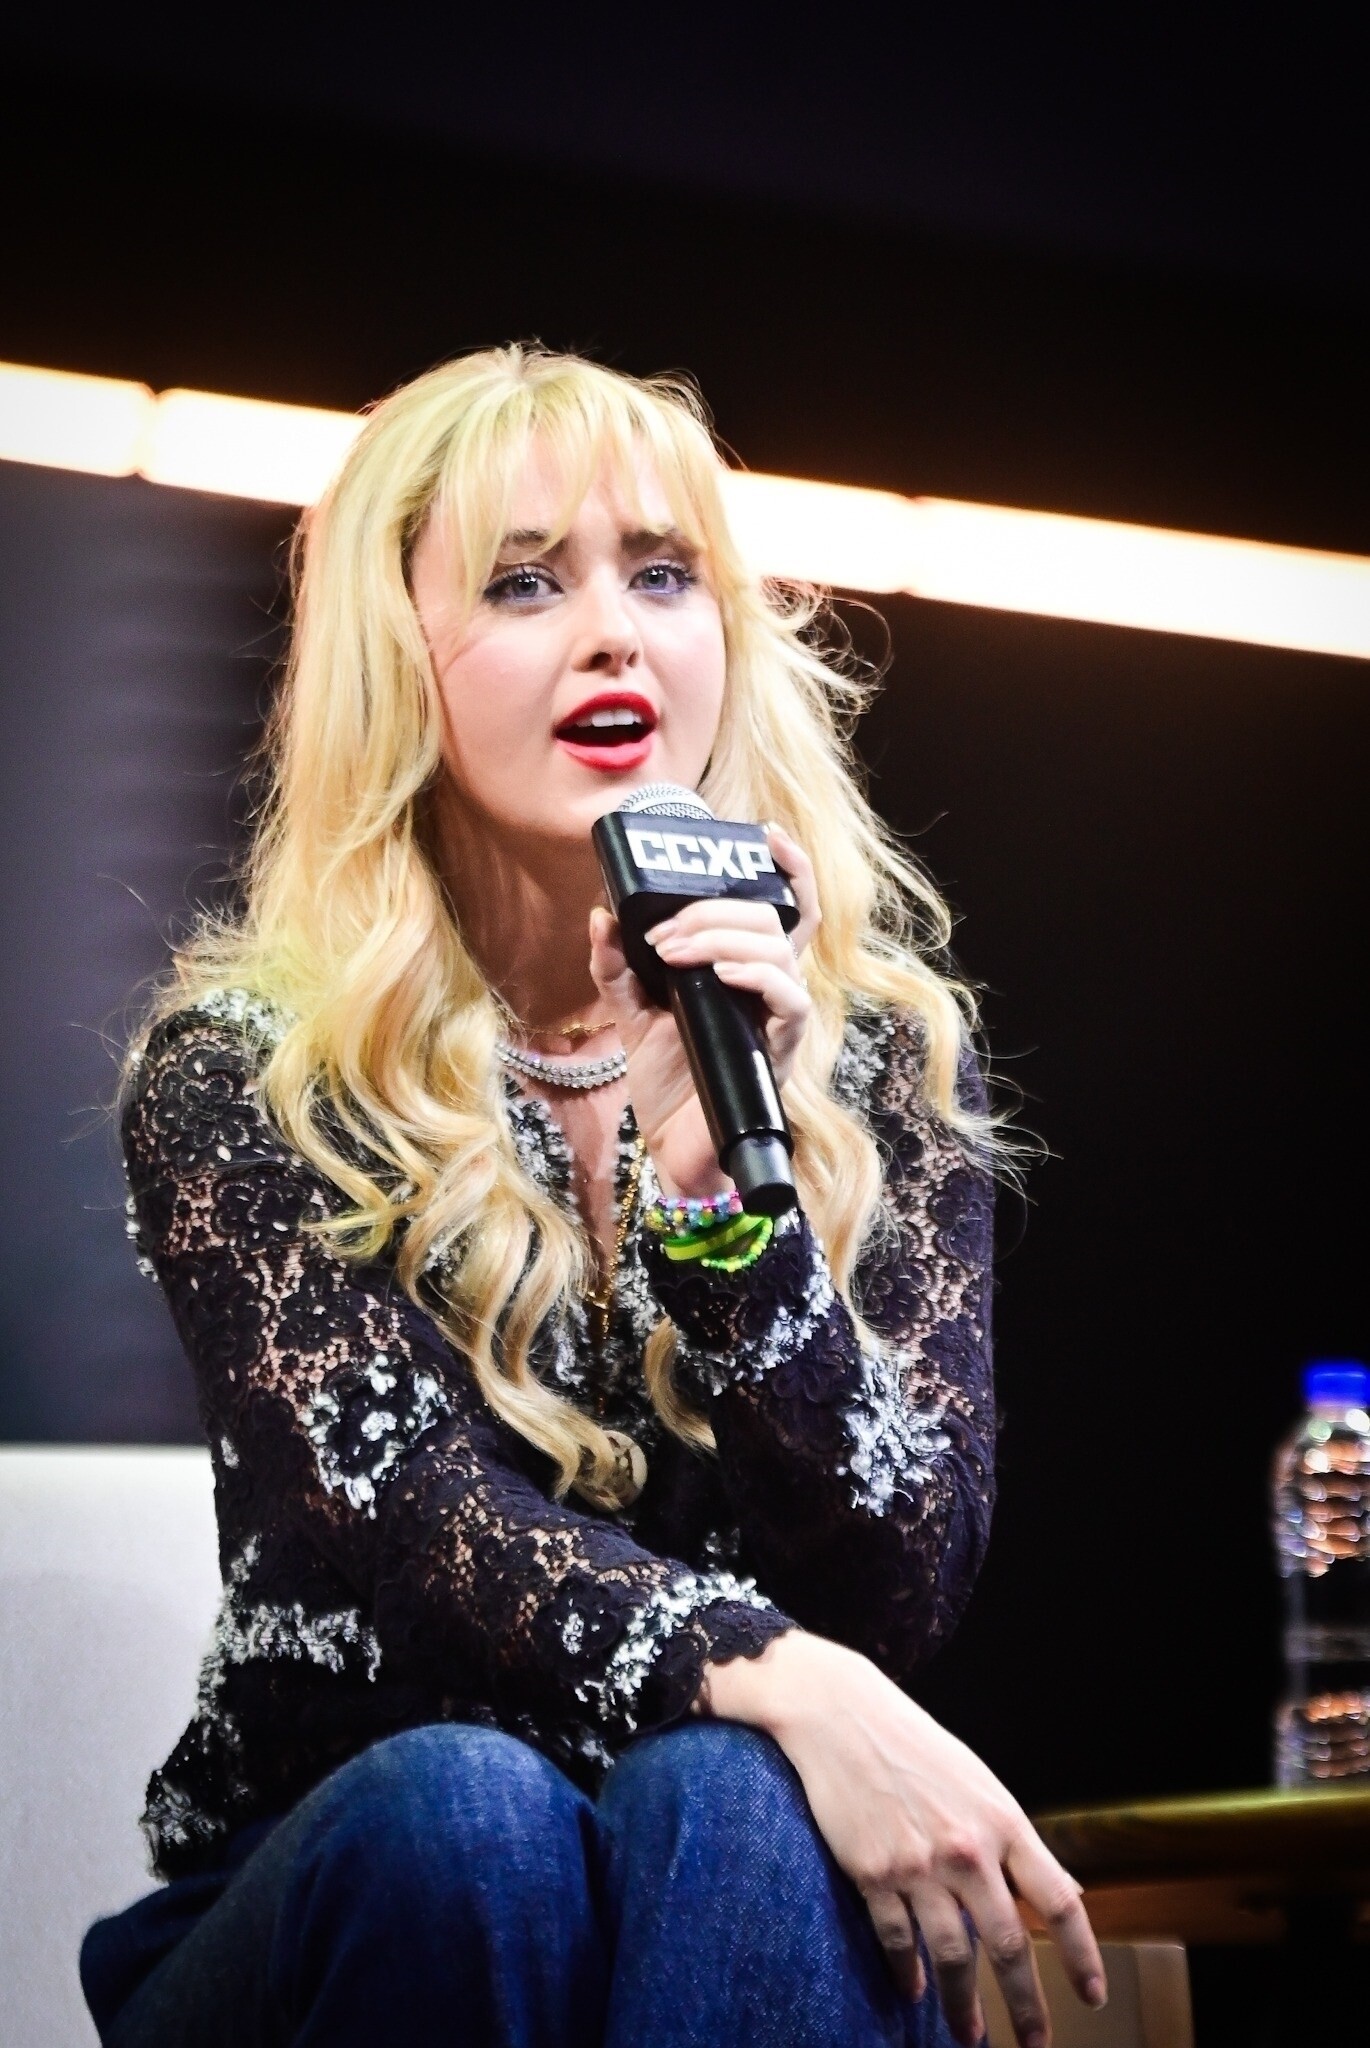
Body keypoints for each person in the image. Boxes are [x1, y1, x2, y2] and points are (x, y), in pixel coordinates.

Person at [80, 346, 1105, 2048]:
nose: (614, 634)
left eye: (662, 574)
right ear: (394, 657)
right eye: (523, 582)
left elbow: (897, 1588)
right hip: (353, 1889)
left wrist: (729, 1219)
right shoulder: (245, 1074)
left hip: (733, 1883)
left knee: (735, 1795)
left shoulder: (872, 1060)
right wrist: (788, 1678)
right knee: (467, 1812)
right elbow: (415, 1530)